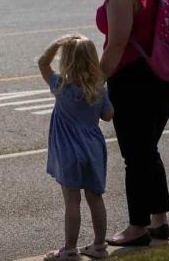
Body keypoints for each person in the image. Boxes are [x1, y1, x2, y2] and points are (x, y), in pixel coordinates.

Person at [97, 0, 169, 247]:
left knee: (135, 156)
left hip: (136, 84)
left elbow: (116, 45)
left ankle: (137, 227)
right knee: (148, 150)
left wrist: (96, 83)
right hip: (167, 80)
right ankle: (159, 222)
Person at [38, 34, 114, 261]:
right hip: (92, 148)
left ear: (67, 61)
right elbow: (108, 116)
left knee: (72, 200)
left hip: (68, 151)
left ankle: (70, 250)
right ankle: (99, 246)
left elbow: (42, 63)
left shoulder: (60, 86)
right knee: (95, 198)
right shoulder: (98, 88)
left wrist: (57, 43)